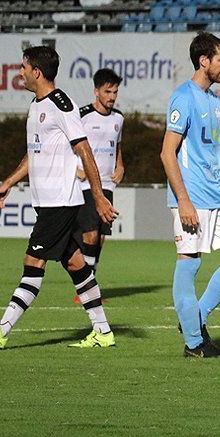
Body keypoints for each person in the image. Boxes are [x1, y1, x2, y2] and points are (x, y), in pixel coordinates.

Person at [0, 45, 119, 349]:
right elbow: (34, 153)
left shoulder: (62, 105)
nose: (19, 72)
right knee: (76, 264)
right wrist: (8, 182)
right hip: (49, 202)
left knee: (33, 261)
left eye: (23, 67)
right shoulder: (36, 105)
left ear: (36, 71)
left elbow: (84, 150)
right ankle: (103, 331)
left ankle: (1, 330)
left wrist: (99, 196)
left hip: (59, 202)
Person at [160, 32, 220, 358]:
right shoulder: (183, 97)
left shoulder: (214, 100)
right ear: (204, 60)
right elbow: (167, 153)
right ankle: (194, 344)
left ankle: (194, 318)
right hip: (192, 199)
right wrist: (183, 201)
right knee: (189, 264)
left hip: (219, 195)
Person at [75, 68, 125, 280]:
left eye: (115, 92)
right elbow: (66, 144)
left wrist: (120, 166)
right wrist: (75, 169)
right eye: (107, 92)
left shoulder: (119, 118)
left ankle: (89, 281)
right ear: (96, 92)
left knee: (101, 237)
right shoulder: (82, 115)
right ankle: (86, 288)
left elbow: (118, 144)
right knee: (91, 234)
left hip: (107, 184)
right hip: (87, 184)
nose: (112, 97)